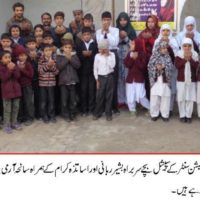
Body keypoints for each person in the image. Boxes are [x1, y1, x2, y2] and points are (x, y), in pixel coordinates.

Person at [96, 11, 120, 114]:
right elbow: (100, 44)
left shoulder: (115, 30)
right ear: (101, 21)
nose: (106, 22)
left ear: (111, 20)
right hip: (101, 55)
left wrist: (108, 33)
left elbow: (114, 43)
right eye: (104, 20)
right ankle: (101, 108)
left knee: (113, 81)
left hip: (112, 55)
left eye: (108, 20)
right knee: (102, 82)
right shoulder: (98, 32)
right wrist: (103, 33)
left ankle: (114, 106)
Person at [153, 24, 179, 114]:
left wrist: (169, 44)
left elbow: (176, 55)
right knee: (159, 88)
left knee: (170, 89)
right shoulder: (157, 41)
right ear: (161, 31)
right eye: (164, 30)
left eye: (167, 30)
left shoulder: (173, 41)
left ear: (170, 32)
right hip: (159, 69)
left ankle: (170, 108)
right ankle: (159, 109)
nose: (165, 32)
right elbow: (154, 54)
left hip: (171, 68)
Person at [175, 38, 199, 123]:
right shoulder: (179, 54)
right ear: (182, 46)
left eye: (189, 46)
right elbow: (177, 66)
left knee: (190, 98)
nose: (187, 47)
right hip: (181, 80)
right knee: (181, 98)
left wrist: (190, 59)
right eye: (185, 46)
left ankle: (188, 115)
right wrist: (185, 59)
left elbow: (196, 66)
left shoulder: (195, 54)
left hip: (191, 81)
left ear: (192, 46)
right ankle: (182, 115)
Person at [148, 41, 173, 122]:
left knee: (165, 97)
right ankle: (154, 114)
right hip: (156, 81)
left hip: (165, 81)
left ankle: (164, 114)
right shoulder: (153, 56)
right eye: (163, 48)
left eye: (166, 48)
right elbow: (149, 66)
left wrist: (164, 67)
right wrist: (156, 67)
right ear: (159, 48)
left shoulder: (168, 57)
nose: (165, 50)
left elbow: (171, 67)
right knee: (155, 98)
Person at [124, 39, 150, 116]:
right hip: (130, 79)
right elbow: (127, 64)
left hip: (139, 79)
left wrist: (137, 59)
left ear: (138, 45)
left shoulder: (143, 54)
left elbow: (142, 67)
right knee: (130, 95)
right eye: (131, 44)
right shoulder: (130, 54)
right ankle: (132, 110)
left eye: (133, 44)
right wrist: (131, 58)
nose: (131, 46)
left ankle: (150, 108)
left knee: (141, 95)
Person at [57, 40, 81, 122]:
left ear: (72, 48)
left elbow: (78, 66)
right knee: (64, 100)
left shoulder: (74, 55)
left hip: (73, 81)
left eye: (69, 47)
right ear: (63, 48)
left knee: (73, 99)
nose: (67, 49)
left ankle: (72, 113)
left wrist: (71, 59)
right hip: (63, 82)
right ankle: (65, 114)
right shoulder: (59, 56)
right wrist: (67, 59)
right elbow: (59, 67)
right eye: (66, 47)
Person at [76, 27, 98, 116]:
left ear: (91, 35)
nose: (86, 36)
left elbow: (97, 57)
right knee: (83, 91)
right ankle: (83, 110)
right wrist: (83, 55)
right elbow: (77, 57)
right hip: (83, 72)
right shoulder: (79, 45)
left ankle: (91, 108)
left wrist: (90, 55)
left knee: (92, 91)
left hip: (92, 72)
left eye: (88, 34)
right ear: (82, 36)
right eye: (84, 35)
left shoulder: (94, 44)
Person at [116, 12, 137, 106]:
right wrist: (120, 38)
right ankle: (120, 100)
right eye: (121, 20)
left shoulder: (131, 31)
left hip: (127, 56)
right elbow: (112, 43)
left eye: (124, 19)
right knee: (119, 78)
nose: (123, 22)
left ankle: (129, 100)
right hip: (118, 56)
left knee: (127, 77)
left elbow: (134, 45)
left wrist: (126, 38)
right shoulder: (115, 30)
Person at [93, 39, 116, 121]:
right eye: (100, 49)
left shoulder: (112, 55)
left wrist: (107, 56)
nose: (101, 51)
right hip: (100, 78)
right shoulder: (97, 56)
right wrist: (97, 80)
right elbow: (95, 69)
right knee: (99, 96)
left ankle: (108, 114)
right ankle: (97, 113)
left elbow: (112, 66)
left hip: (109, 77)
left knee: (109, 96)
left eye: (103, 49)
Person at [138, 15, 160, 99]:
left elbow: (159, 46)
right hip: (145, 61)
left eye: (152, 22)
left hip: (156, 61)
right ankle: (148, 102)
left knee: (155, 82)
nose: (150, 24)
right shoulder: (143, 32)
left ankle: (156, 103)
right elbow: (138, 43)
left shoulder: (159, 32)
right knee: (147, 82)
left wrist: (150, 38)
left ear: (156, 22)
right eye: (148, 22)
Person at [0, 51, 22, 134]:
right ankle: (6, 125)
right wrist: (9, 70)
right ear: (1, 60)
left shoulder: (14, 65)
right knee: (7, 109)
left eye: (9, 57)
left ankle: (14, 122)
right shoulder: (1, 67)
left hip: (16, 91)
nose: (8, 59)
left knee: (16, 108)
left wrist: (14, 69)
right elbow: (3, 78)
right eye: (5, 57)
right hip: (7, 92)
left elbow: (18, 76)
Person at [38, 44, 59, 123]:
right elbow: (40, 72)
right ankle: (44, 115)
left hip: (51, 84)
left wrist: (51, 66)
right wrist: (47, 65)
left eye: (49, 50)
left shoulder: (54, 60)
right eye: (46, 51)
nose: (48, 52)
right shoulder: (41, 60)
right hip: (43, 84)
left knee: (51, 100)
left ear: (52, 51)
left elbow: (56, 72)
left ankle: (52, 115)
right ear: (43, 52)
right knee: (43, 100)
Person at [16, 46, 34, 126]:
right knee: (20, 102)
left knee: (28, 102)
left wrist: (22, 70)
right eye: (20, 55)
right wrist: (18, 69)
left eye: (24, 55)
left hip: (27, 86)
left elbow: (31, 75)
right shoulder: (16, 65)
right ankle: (21, 118)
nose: (22, 57)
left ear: (27, 56)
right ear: (17, 57)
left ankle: (30, 118)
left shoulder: (28, 64)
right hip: (19, 86)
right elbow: (16, 76)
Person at [25, 37, 41, 120]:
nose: (31, 45)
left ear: (36, 44)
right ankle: (30, 115)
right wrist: (30, 59)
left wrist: (35, 59)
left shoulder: (40, 54)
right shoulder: (24, 55)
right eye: (29, 44)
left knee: (38, 97)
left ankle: (38, 114)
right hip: (28, 80)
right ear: (26, 45)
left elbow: (40, 67)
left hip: (38, 79)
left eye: (33, 43)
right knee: (29, 99)